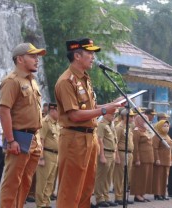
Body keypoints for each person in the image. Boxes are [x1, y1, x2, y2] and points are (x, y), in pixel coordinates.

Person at [54, 38, 121, 207]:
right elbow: (75, 115)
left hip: (89, 138)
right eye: (89, 53)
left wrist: (112, 105)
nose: (93, 57)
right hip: (74, 139)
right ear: (77, 55)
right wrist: (105, 110)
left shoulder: (85, 79)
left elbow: (91, 108)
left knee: (86, 189)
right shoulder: (66, 81)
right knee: (71, 190)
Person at [0, 42, 46, 207]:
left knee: (25, 183)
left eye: (37, 56)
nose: (37, 59)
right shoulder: (11, 81)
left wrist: (38, 140)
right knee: (12, 183)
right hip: (19, 138)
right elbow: (4, 111)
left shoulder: (32, 81)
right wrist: (11, 140)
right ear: (20, 59)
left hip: (33, 138)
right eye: (32, 56)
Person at [35, 103, 60, 208]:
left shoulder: (56, 123)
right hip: (47, 154)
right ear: (53, 111)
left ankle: (46, 203)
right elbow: (41, 140)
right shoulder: (45, 122)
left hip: (55, 155)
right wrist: (41, 157)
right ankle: (40, 204)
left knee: (50, 182)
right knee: (42, 181)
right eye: (59, 111)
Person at [94, 110, 118, 207]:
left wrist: (115, 154)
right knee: (101, 177)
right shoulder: (101, 124)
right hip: (105, 153)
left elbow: (114, 140)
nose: (114, 116)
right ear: (106, 114)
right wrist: (102, 155)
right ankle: (99, 198)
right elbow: (100, 140)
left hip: (112, 153)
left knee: (108, 178)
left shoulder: (111, 124)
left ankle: (106, 197)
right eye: (112, 114)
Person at [113, 109, 135, 205]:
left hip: (129, 153)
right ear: (124, 117)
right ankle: (118, 196)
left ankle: (123, 196)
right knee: (120, 176)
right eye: (130, 116)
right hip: (122, 153)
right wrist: (117, 156)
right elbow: (115, 143)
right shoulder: (119, 127)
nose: (132, 118)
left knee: (127, 176)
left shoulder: (128, 127)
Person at [130, 114, 154, 202]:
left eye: (147, 119)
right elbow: (135, 146)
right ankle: (137, 194)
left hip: (148, 158)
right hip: (141, 158)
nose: (146, 121)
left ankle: (142, 193)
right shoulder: (136, 131)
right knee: (139, 177)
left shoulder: (146, 131)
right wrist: (137, 159)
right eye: (144, 119)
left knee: (145, 177)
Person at [152, 120, 172, 200]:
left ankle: (163, 193)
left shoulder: (168, 136)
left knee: (165, 178)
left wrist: (170, 159)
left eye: (167, 126)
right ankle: (157, 193)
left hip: (167, 160)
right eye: (164, 126)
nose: (166, 127)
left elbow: (170, 149)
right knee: (158, 178)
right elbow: (155, 148)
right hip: (160, 160)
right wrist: (157, 159)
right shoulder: (157, 136)